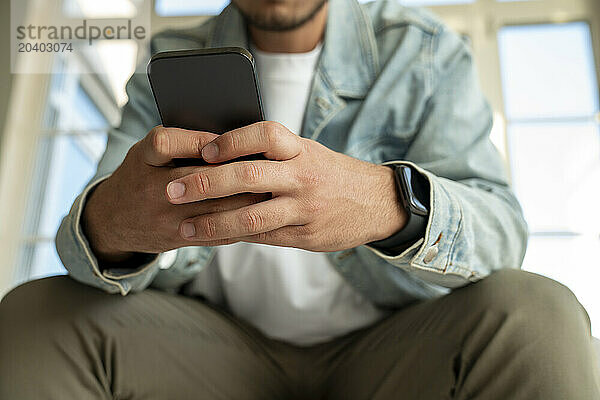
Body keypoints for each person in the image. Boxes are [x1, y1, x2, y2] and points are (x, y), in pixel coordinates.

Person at [1, 0, 599, 398]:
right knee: (34, 316)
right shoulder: (168, 59)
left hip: (394, 352)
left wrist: (386, 203)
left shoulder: (424, 55)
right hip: (209, 354)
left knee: (538, 314)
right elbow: (79, 251)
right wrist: (113, 224)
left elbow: (502, 234)